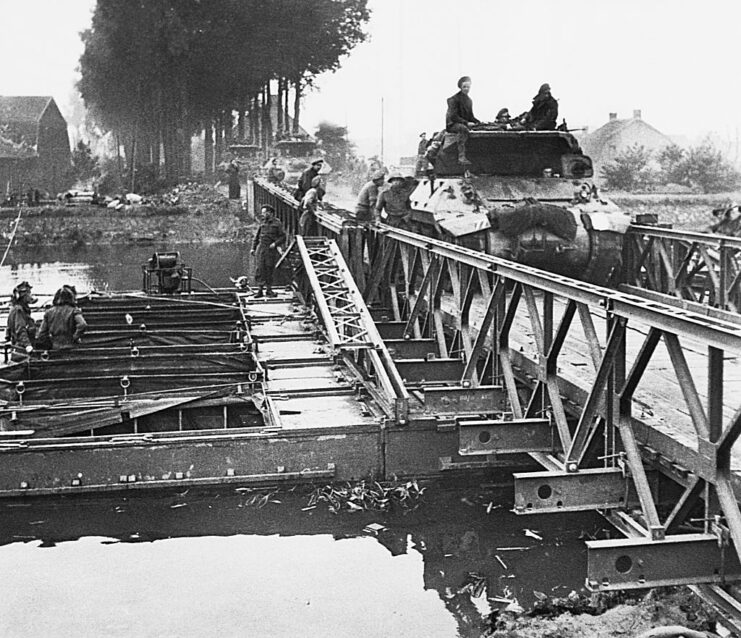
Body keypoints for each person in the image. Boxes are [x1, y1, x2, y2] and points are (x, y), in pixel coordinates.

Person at [251, 204, 286, 298]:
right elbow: (257, 237)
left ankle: (269, 290)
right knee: (259, 269)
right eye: (262, 213)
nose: (263, 215)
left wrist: (275, 244)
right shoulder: (262, 223)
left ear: (270, 213)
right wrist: (253, 248)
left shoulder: (277, 223)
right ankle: (260, 290)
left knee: (269, 268)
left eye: (265, 213)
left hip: (270, 250)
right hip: (261, 248)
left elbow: (283, 237)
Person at [37, 285, 87, 350]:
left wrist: (49, 343)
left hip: (55, 346)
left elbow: (41, 333)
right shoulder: (74, 310)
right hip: (71, 345)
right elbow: (82, 324)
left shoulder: (49, 312)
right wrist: (75, 337)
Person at [446, 76, 480, 165]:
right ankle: (461, 157)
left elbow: (471, 116)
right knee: (463, 129)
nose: (466, 89)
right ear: (460, 87)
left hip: (464, 123)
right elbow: (453, 116)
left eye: (468, 87)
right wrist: (466, 122)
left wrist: (478, 122)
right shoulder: (453, 99)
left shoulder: (469, 100)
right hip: (453, 124)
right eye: (464, 87)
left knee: (478, 127)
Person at [5, 281, 37, 360]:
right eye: (29, 293)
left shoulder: (15, 308)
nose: (31, 296)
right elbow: (20, 330)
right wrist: (28, 345)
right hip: (22, 351)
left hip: (17, 349)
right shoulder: (19, 310)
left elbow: (8, 332)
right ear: (24, 296)